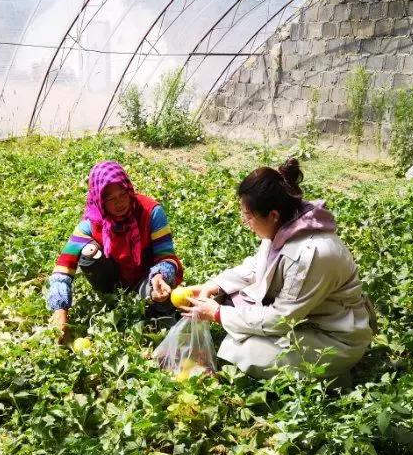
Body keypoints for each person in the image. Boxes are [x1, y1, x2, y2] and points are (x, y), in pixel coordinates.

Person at [182, 158, 375, 382]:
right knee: (232, 300)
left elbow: (282, 318)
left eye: (248, 217)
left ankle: (336, 374)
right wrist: (213, 286)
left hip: (332, 336)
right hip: (306, 317)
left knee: (240, 350)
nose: (246, 223)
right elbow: (256, 267)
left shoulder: (312, 253)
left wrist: (217, 314)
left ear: (273, 215)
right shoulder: (284, 225)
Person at [47, 161, 183, 335]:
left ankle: (159, 309)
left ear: (129, 189)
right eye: (110, 199)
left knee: (162, 289)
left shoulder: (151, 213)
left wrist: (160, 276)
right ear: (99, 200)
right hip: (114, 280)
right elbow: (64, 264)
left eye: (123, 194)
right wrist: (60, 311)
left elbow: (167, 256)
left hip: (146, 278)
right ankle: (113, 298)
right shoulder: (93, 222)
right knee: (88, 254)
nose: (120, 203)